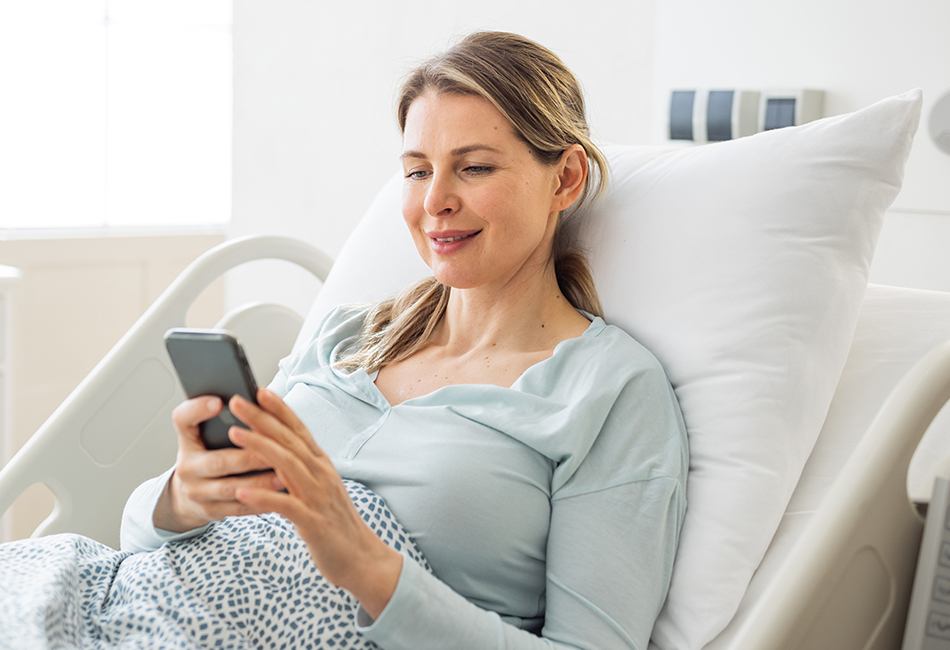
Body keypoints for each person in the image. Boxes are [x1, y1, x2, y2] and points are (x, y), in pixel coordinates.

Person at [121, 30, 688, 649]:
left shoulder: (608, 393)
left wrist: (367, 569)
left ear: (565, 178)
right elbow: (138, 544)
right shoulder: (347, 339)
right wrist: (183, 496)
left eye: (473, 168)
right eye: (418, 171)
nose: (435, 201)